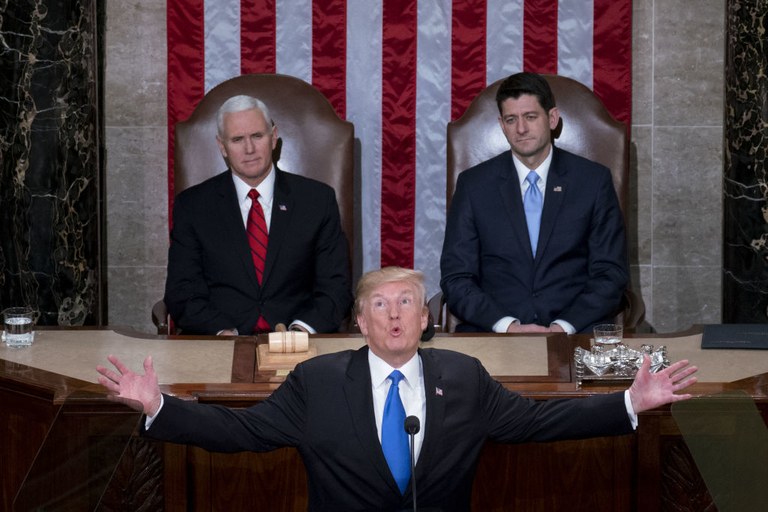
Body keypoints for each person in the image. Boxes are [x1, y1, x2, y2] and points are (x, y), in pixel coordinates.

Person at [98, 267, 697, 512]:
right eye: (380, 306)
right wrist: (158, 406)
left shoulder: (462, 377)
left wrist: (630, 402)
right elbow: (242, 431)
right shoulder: (318, 382)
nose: (393, 315)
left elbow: (538, 423)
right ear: (359, 323)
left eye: (406, 303)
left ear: (425, 319)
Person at [440, 72, 629, 334]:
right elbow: (457, 278)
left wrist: (564, 326)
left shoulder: (593, 182)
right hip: (494, 334)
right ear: (502, 125)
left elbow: (610, 274)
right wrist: (506, 325)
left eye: (530, 117)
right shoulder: (474, 185)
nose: (521, 129)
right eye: (511, 119)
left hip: (574, 333)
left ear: (552, 118)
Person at [164, 95, 352, 335]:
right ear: (222, 146)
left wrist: (300, 331)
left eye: (257, 136)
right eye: (237, 139)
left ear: (273, 137)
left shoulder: (317, 200)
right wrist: (222, 332)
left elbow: (335, 286)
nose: (249, 149)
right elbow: (182, 291)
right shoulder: (193, 206)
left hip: (298, 340)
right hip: (222, 340)